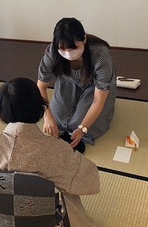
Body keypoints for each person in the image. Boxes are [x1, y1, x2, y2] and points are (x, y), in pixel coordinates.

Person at [0, 77, 100, 227]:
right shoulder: (55, 149)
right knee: (67, 189)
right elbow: (91, 181)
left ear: (1, 111)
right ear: (40, 108)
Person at [37, 17, 116, 152]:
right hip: (68, 83)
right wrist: (47, 117)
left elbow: (98, 101)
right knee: (58, 120)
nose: (68, 53)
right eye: (63, 49)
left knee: (79, 124)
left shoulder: (100, 55)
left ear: (84, 39)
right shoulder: (52, 52)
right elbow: (41, 86)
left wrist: (82, 129)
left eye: (73, 48)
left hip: (95, 88)